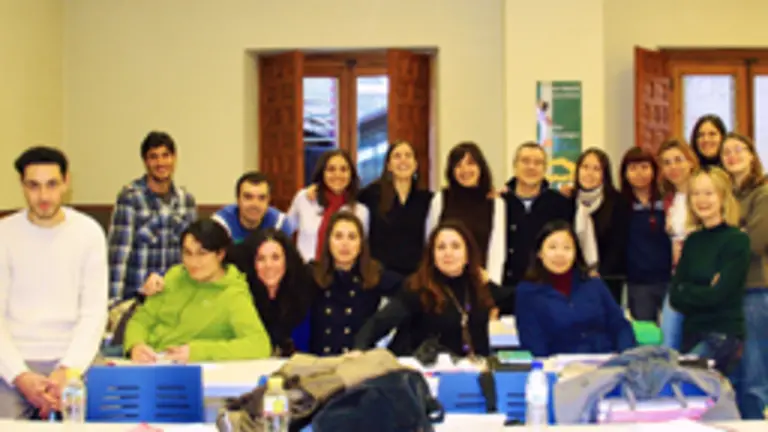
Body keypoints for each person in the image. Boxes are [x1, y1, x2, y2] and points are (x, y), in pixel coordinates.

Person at [0, 147, 108, 419]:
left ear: (66, 182)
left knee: (107, 419)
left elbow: (94, 313)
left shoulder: (88, 233)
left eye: (51, 184)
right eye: (33, 186)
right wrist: (19, 375)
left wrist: (69, 369)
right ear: (22, 185)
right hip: (15, 362)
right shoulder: (4, 234)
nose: (44, 196)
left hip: (77, 358)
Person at [124, 219, 271, 363]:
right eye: (187, 253)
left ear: (220, 254)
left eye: (202, 253)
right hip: (145, 362)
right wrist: (135, 345)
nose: (193, 262)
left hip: (187, 368)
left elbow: (259, 345)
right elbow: (141, 320)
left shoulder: (233, 294)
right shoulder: (174, 276)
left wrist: (198, 352)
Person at [355, 220, 505, 357]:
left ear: (468, 254)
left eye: (455, 246)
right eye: (441, 247)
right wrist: (359, 350)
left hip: (474, 371)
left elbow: (514, 298)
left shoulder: (480, 286)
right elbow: (379, 323)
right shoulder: (417, 288)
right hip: (421, 371)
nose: (448, 253)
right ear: (432, 255)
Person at [670, 167, 749, 375]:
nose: (701, 200)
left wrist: (688, 290)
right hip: (691, 333)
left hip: (722, 335)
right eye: (695, 193)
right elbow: (675, 297)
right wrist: (703, 289)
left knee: (685, 378)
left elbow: (720, 295)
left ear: (722, 197)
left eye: (708, 193)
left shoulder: (737, 240)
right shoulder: (692, 241)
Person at [515, 221, 636, 357]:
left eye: (567, 248)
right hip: (560, 365)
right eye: (552, 247)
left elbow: (619, 325)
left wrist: (626, 356)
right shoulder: (528, 292)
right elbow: (533, 343)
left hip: (607, 361)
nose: (560, 254)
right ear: (539, 253)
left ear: (576, 253)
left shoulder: (593, 284)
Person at [107, 131, 197, 301]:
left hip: (175, 297)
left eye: (165, 155)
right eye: (153, 157)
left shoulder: (186, 201)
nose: (160, 162)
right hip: (139, 297)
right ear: (145, 161)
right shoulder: (130, 198)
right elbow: (118, 256)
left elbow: (193, 254)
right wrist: (113, 303)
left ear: (174, 158)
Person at [720, 133, 768, 419]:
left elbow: (756, 242)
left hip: (755, 289)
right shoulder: (725, 196)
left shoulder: (763, 193)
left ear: (752, 155)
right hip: (728, 292)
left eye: (739, 149)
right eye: (726, 152)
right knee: (733, 368)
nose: (732, 155)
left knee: (755, 369)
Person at [308, 212, 401, 356]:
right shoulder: (313, 275)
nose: (345, 244)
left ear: (361, 244)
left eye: (352, 237)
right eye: (338, 236)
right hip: (320, 362)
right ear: (328, 241)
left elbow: (410, 293)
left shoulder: (374, 275)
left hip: (359, 362)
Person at [500, 142, 573, 314]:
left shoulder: (561, 204)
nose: (531, 167)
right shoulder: (500, 203)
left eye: (538, 162)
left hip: (549, 290)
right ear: (515, 166)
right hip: (506, 290)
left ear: (545, 168)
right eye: (525, 161)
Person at [427, 142, 506, 285]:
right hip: (442, 282)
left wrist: (492, 285)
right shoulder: (440, 199)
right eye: (458, 165)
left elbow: (497, 250)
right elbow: (431, 242)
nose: (465, 170)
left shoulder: (496, 203)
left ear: (480, 167)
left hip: (479, 281)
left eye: (470, 163)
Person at [228, 229, 313, 356]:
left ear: (287, 261)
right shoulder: (240, 295)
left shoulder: (303, 292)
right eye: (261, 259)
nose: (268, 265)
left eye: (275, 258)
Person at [358, 140, 433, 277]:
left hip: (416, 276)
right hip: (379, 276)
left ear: (415, 164)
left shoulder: (427, 199)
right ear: (388, 165)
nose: (403, 160)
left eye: (408, 155)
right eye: (397, 156)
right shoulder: (370, 195)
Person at [287, 150, 369, 262]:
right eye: (331, 169)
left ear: (351, 174)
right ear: (322, 173)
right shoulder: (304, 198)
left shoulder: (360, 211)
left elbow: (361, 249)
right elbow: (286, 231)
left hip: (342, 270)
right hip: (305, 268)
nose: (337, 175)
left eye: (343, 169)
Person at [620, 147, 671, 322]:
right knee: (645, 332)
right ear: (625, 173)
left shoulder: (666, 199)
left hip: (669, 279)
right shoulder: (620, 203)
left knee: (673, 331)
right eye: (633, 168)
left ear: (654, 170)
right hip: (638, 282)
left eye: (644, 167)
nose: (639, 173)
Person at [571, 148, 629, 304]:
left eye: (596, 169)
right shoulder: (569, 201)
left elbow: (619, 244)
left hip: (608, 279)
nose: (589, 173)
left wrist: (599, 274)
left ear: (605, 174)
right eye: (585, 167)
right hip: (574, 280)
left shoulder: (618, 202)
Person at [656, 139, 698, 349]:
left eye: (678, 160)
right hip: (678, 278)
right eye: (667, 162)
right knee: (669, 340)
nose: (673, 167)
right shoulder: (669, 199)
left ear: (690, 162)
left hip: (702, 280)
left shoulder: (703, 193)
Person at [212, 171, 295, 244]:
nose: (255, 204)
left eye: (262, 198)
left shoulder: (280, 224)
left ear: (268, 201)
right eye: (248, 197)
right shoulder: (220, 224)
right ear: (238, 200)